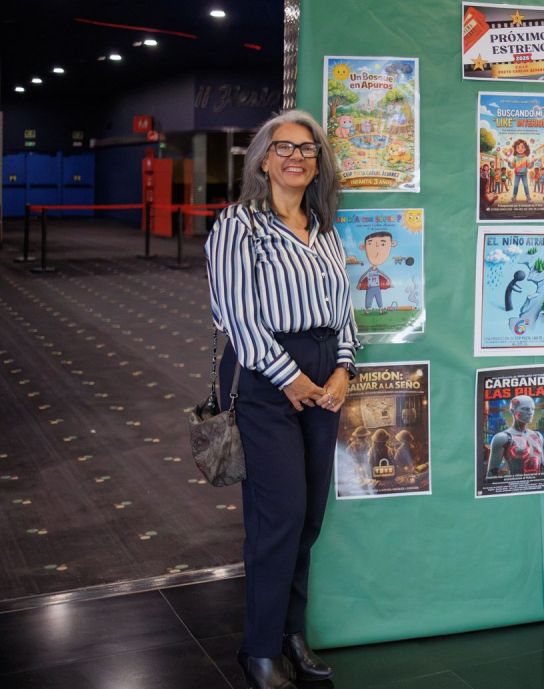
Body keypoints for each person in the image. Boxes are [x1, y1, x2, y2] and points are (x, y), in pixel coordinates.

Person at [205, 110, 359, 689]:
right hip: (264, 378)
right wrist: (290, 377)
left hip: (325, 376)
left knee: (309, 517)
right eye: (283, 147)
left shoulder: (324, 228)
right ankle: (261, 650)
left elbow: (343, 311)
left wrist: (345, 367)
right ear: (264, 159)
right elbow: (237, 317)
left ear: (318, 163)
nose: (296, 156)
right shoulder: (238, 225)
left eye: (307, 149)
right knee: (279, 515)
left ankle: (293, 636)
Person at [486, 395, 544, 476]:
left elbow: (542, 466)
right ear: (512, 411)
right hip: (516, 485)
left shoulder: (538, 436)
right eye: (525, 409)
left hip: (538, 484)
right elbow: (491, 473)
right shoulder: (502, 438)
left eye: (532, 409)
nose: (530, 412)